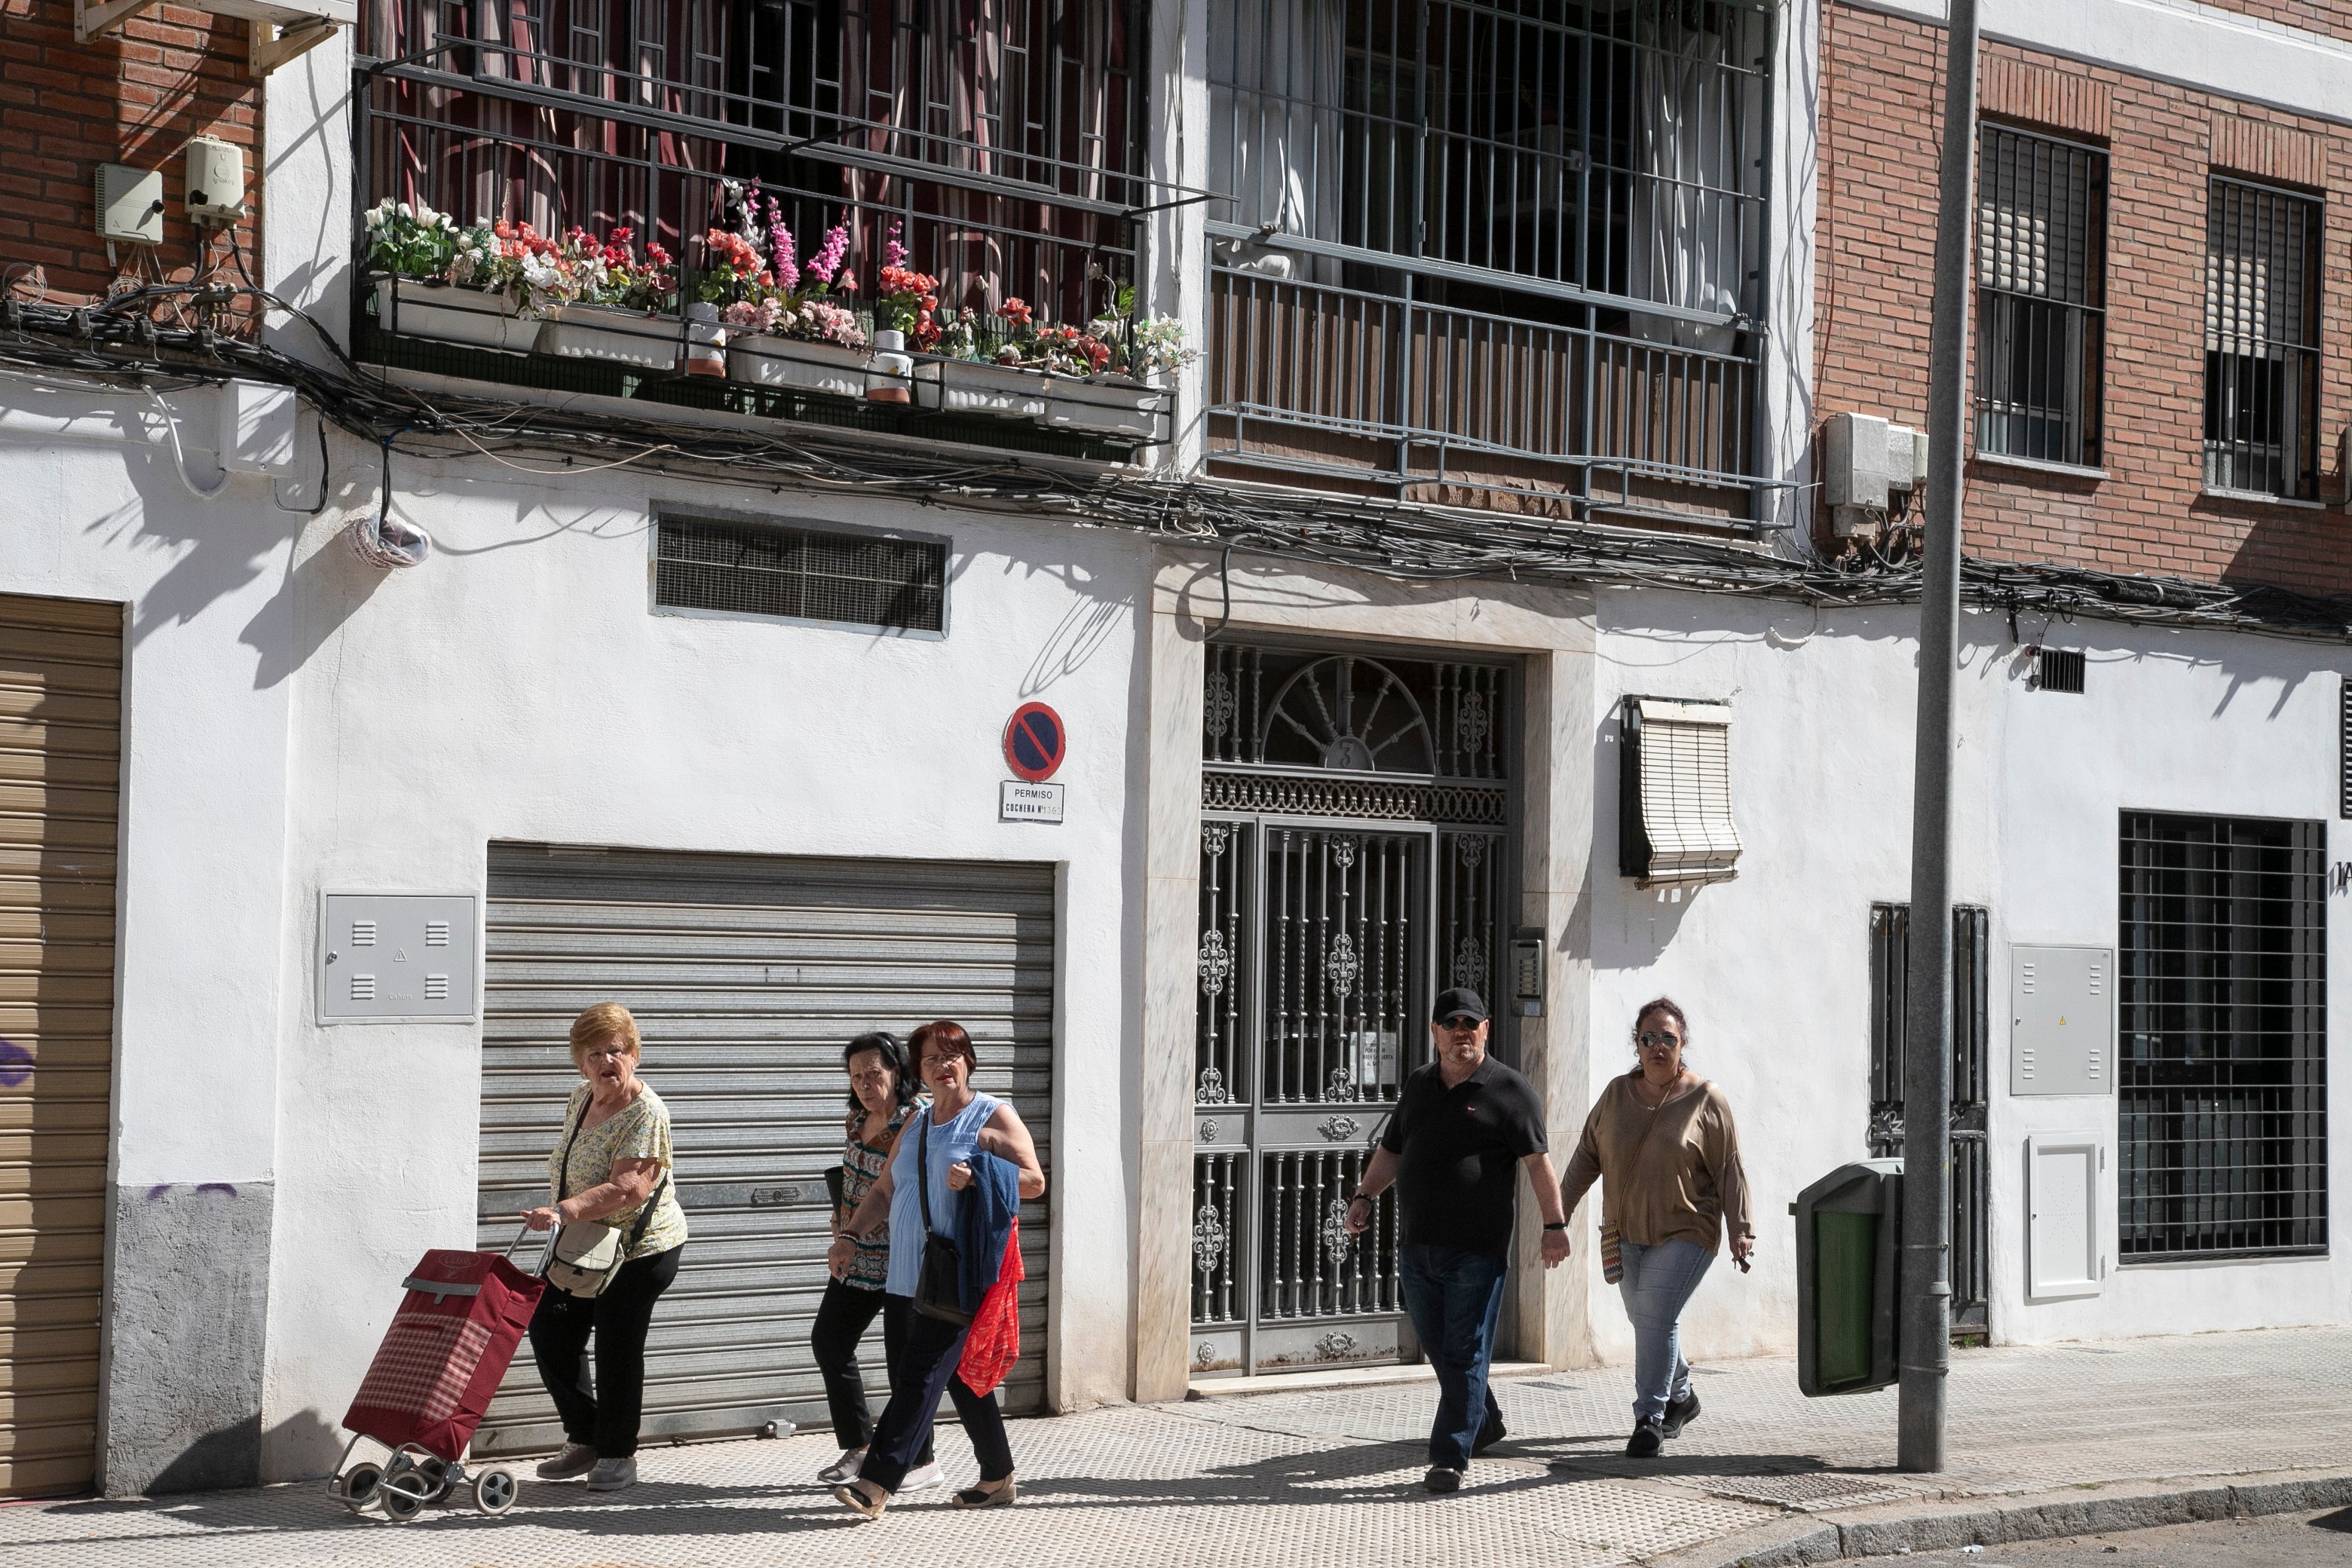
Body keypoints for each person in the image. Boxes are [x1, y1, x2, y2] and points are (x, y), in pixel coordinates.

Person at [1344, 988, 1570, 1494]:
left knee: (1465, 1350)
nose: (1461, 1032)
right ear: (1435, 1032)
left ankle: (1449, 1457)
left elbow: (1538, 1162)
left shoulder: (1511, 1090)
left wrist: (1554, 1226)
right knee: (1442, 1350)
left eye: (1471, 1023)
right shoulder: (1419, 1085)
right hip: (1416, 1245)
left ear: (1486, 1029)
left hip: (1477, 1249)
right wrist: (1364, 1195)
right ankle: (1482, 1421)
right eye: (1451, 1023)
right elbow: (1392, 1149)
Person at [825, 1020, 1046, 1520]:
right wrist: (850, 1237)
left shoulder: (993, 1114)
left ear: (969, 1062)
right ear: (918, 1071)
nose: (942, 1066)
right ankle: (998, 1476)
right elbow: (884, 1190)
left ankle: (876, 1483)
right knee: (959, 1377)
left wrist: (981, 1174)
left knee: (917, 1376)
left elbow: (1034, 1181)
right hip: (905, 1274)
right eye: (930, 1059)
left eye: (951, 1056)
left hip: (958, 1271)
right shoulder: (918, 1123)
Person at [1558, 996, 1752, 1459]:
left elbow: (1729, 1167)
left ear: (1683, 1044)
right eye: (1649, 1038)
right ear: (1637, 1044)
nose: (1658, 1046)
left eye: (1668, 1038)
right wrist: (1556, 1213)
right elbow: (1586, 1157)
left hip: (1688, 1231)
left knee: (1655, 1317)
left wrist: (1741, 1228)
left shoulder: (1706, 1098)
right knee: (1647, 1321)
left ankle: (1649, 1418)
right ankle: (1682, 1396)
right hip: (1625, 1234)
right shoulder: (1615, 1095)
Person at [521, 1001, 691, 1493]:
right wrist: (568, 1215)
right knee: (550, 1329)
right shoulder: (581, 1097)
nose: (606, 1062)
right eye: (594, 1053)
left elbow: (629, 1188)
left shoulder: (646, 1112)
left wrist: (565, 1210)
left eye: (616, 1051)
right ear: (581, 1063)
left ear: (634, 1055)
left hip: (642, 1248)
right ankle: (586, 1436)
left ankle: (617, 1454)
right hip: (587, 1244)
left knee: (617, 1345)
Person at [807, 1031, 944, 1493]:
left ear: (897, 1072)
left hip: (904, 1257)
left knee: (904, 1362)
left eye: (874, 1073)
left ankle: (922, 1461)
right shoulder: (856, 1119)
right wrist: (841, 1218)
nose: (866, 1084)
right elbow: (855, 1177)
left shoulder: (918, 1118)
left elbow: (899, 1188)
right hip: (858, 1254)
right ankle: (860, 1445)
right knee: (830, 1342)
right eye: (856, 1076)